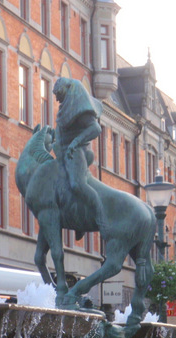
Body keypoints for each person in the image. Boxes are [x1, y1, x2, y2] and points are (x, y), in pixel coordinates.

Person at [52, 78, 103, 236]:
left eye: (59, 94)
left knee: (76, 184)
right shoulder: (67, 106)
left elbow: (95, 128)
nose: (57, 99)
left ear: (68, 89)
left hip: (74, 152)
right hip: (63, 151)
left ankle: (100, 213)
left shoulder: (79, 108)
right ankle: (76, 217)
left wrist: (76, 142)